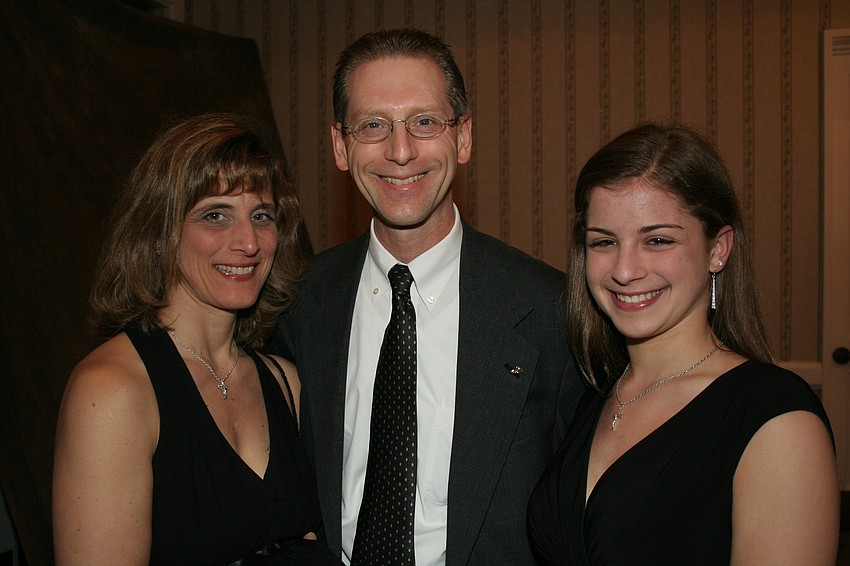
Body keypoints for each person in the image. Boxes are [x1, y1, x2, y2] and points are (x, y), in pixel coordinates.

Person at [267, 29, 583, 566]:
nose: (400, 150)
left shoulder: (551, 311)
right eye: (373, 126)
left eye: (424, 122)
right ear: (341, 147)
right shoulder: (296, 304)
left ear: (463, 138)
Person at [527, 123, 839, 565]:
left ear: (718, 249)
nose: (625, 270)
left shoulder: (774, 418)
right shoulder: (593, 394)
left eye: (657, 240)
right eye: (604, 242)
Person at [53, 113, 340, 565]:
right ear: (161, 230)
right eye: (215, 215)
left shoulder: (286, 382)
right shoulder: (112, 392)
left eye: (261, 215)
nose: (248, 242)